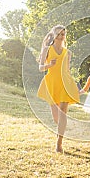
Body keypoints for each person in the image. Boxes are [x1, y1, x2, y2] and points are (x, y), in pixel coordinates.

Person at [37, 25, 79, 153]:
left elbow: (67, 70)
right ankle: (60, 131)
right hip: (52, 83)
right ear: (54, 35)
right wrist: (49, 65)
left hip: (65, 83)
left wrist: (72, 85)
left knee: (63, 114)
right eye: (58, 34)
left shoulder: (68, 52)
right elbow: (41, 68)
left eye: (63, 34)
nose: (61, 37)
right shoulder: (47, 49)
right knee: (56, 118)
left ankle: (59, 143)